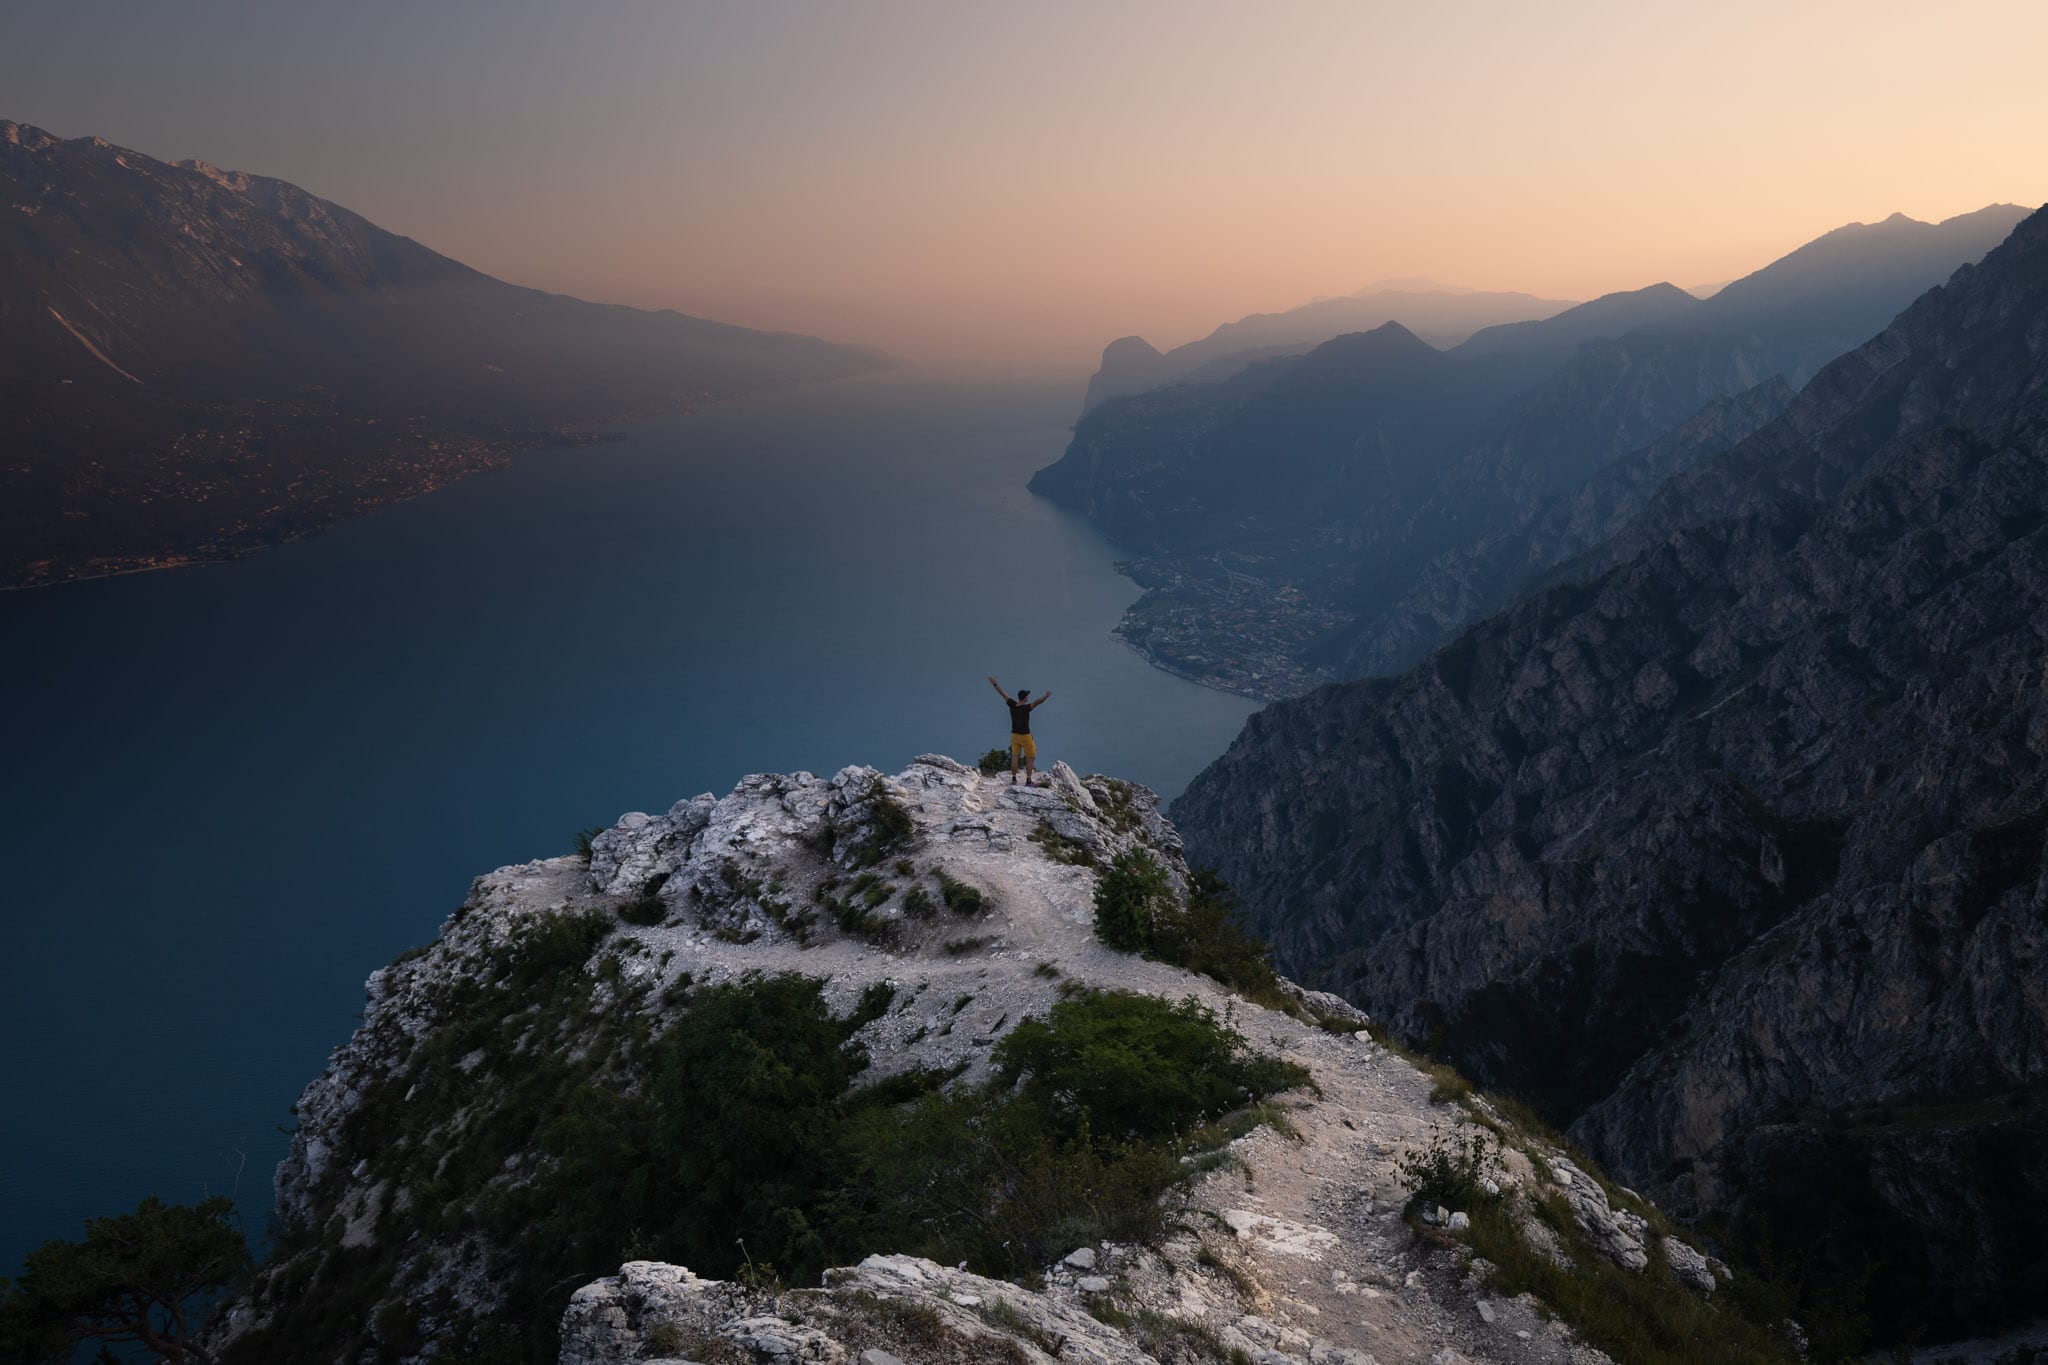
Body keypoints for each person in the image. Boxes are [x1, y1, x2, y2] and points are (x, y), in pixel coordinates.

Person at [987, 674, 1051, 785]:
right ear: (1025, 698)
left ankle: (1013, 779)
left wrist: (994, 683)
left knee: (1015, 757)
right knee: (1031, 757)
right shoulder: (1026, 708)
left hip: (1014, 736)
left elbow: (1002, 693)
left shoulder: (1012, 705)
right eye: (1027, 696)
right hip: (1025, 736)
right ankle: (1028, 780)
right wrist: (1045, 696)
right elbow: (1037, 702)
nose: (1028, 697)